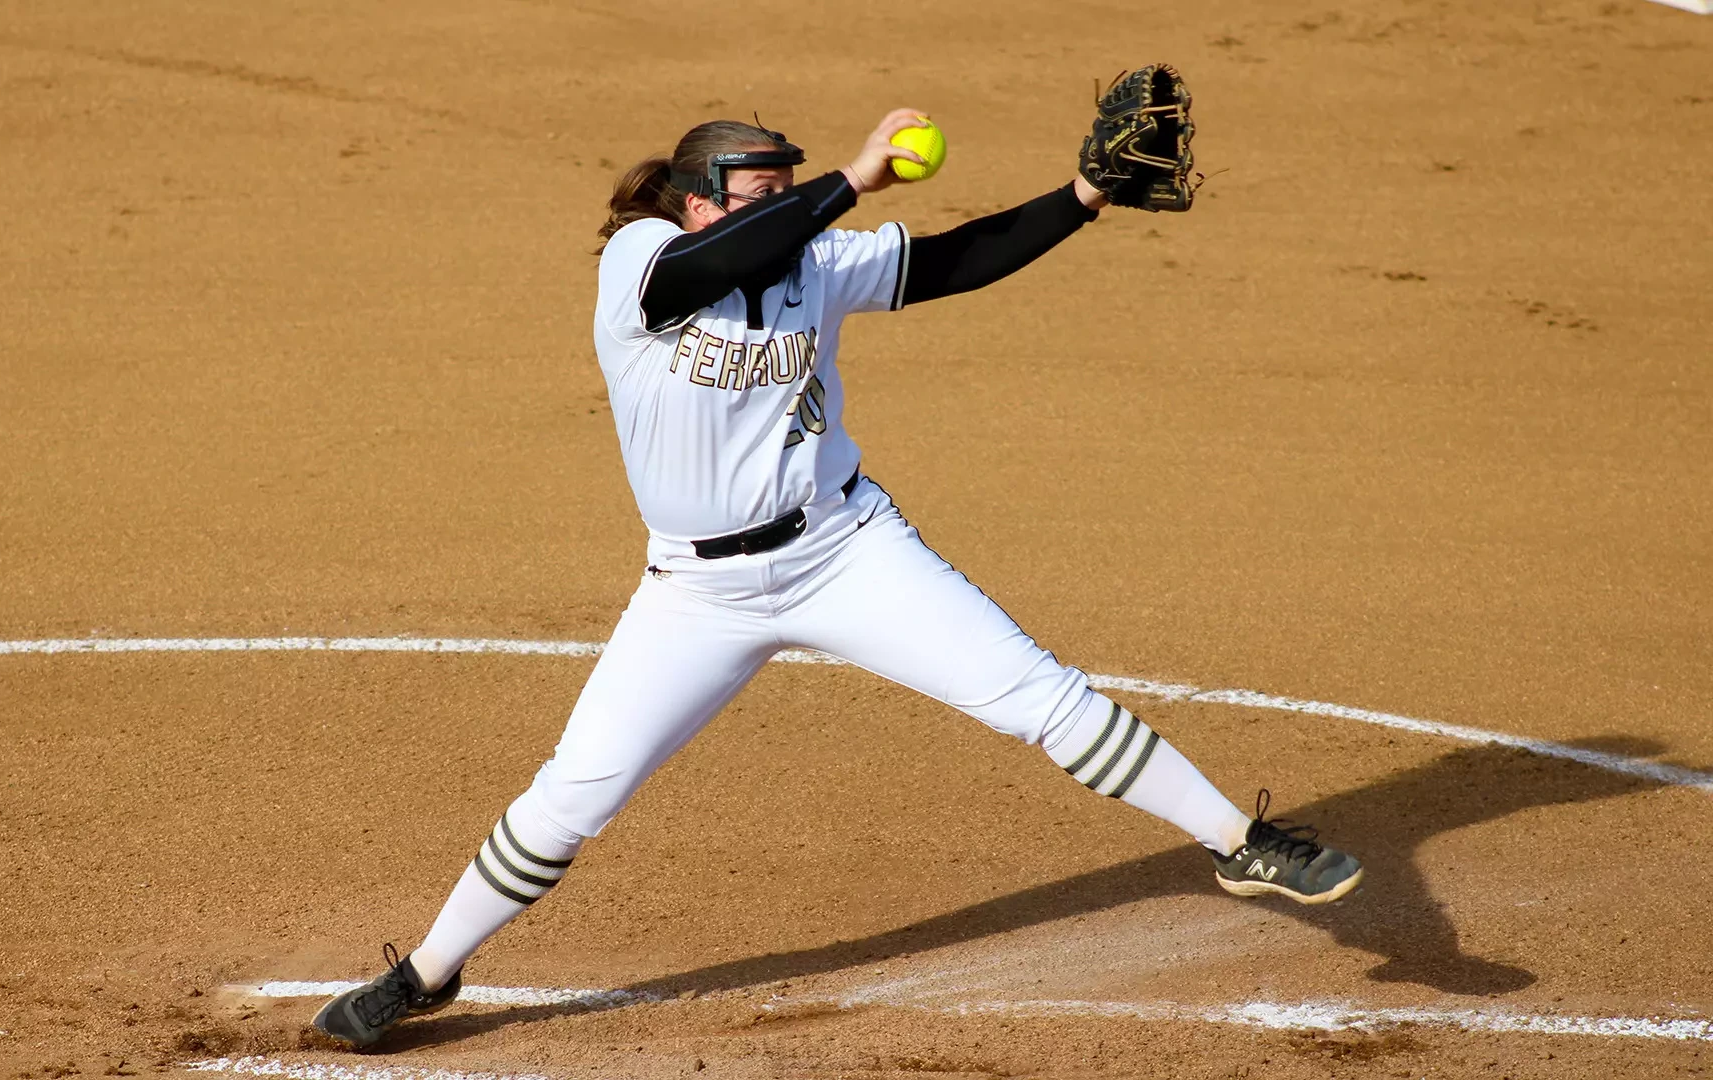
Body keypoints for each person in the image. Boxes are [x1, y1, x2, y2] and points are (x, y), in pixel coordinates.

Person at [312, 109, 1363, 1049]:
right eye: (762, 194)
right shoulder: (642, 261)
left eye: (790, 191)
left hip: (844, 549)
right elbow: (720, 260)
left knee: (1038, 696)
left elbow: (959, 260)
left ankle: (1240, 841)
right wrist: (851, 180)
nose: (785, 211)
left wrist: (1083, 196)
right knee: (571, 798)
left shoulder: (817, 260)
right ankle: (425, 973)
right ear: (698, 203)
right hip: (695, 595)